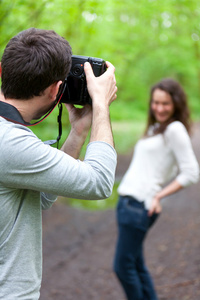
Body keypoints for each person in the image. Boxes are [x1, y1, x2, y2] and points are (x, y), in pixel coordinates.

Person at [0, 28, 117, 299]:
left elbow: (37, 196)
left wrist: (77, 133)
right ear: (56, 90)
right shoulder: (11, 142)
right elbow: (99, 183)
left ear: (3, 72)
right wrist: (100, 106)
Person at [113, 78, 199, 300]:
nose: (159, 108)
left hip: (139, 205)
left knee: (123, 267)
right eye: (156, 102)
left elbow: (191, 172)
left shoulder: (175, 129)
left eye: (166, 104)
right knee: (136, 265)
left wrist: (159, 195)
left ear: (176, 104)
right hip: (128, 203)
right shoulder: (156, 128)